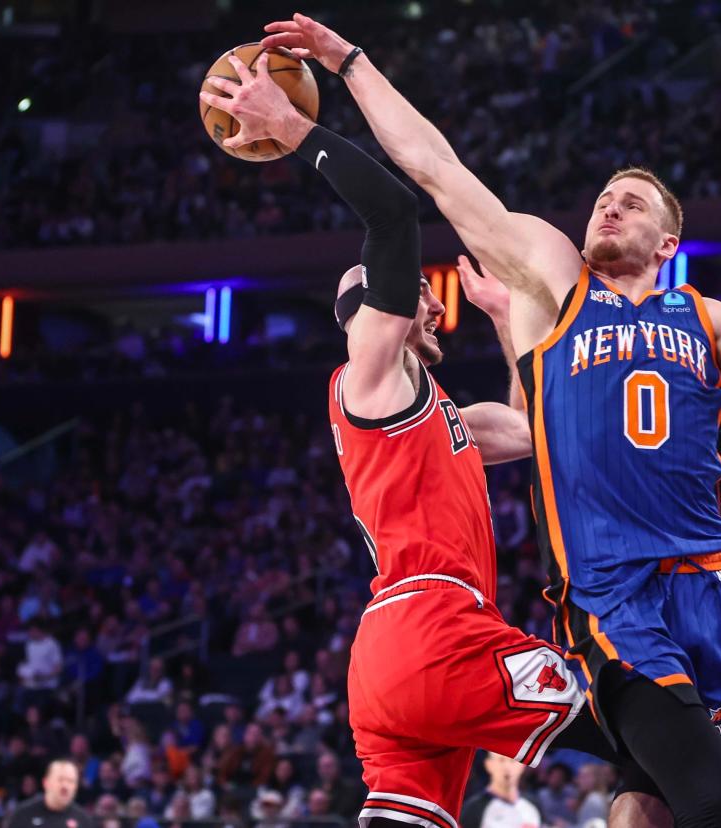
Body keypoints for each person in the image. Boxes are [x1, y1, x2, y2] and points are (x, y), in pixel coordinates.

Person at [259, 13, 721, 828]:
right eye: (602, 199)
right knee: (710, 800)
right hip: (613, 590)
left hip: (711, 591)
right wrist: (348, 62)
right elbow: (435, 172)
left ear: (669, 238)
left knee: (680, 800)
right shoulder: (557, 281)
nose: (608, 209)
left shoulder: (707, 317)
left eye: (631, 202)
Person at [197, 51, 669, 828]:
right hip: (438, 633)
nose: (430, 304)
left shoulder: (435, 412)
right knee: (649, 724)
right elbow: (391, 215)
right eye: (417, 294)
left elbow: (531, 426)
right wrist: (295, 128)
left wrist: (506, 317)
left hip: (387, 665)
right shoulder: (372, 371)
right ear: (372, 309)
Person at [461, 753, 543, 828]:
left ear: (522, 766)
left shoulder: (533, 805)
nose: (507, 767)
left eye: (512, 761)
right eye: (501, 760)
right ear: (488, 764)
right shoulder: (473, 808)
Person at [5, 759, 93, 828]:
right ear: (46, 782)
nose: (65, 786)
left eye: (71, 781)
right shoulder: (23, 814)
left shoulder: (83, 820)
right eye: (60, 779)